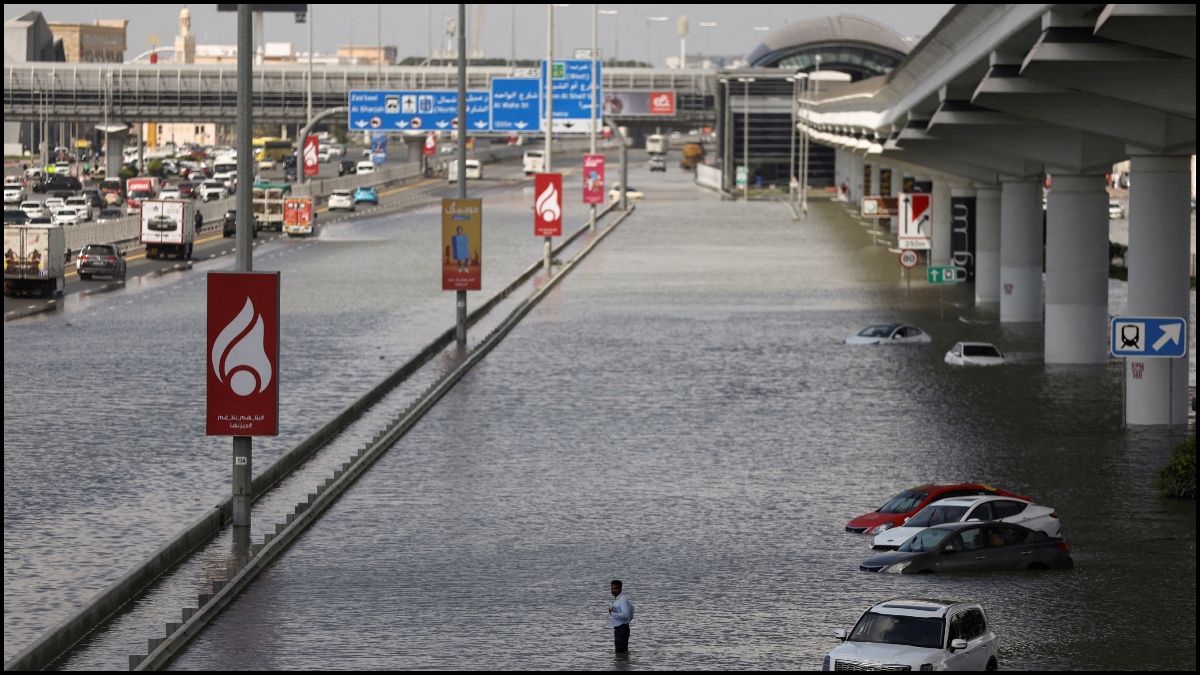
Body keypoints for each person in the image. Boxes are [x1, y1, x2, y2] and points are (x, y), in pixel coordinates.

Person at [608, 580, 634, 653]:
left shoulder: (622, 600)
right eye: (612, 588)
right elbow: (632, 608)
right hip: (620, 628)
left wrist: (612, 613)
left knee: (621, 652)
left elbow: (626, 614)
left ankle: (623, 664)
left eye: (615, 589)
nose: (613, 591)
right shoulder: (618, 599)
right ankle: (623, 663)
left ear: (620, 589)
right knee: (620, 652)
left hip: (622, 628)